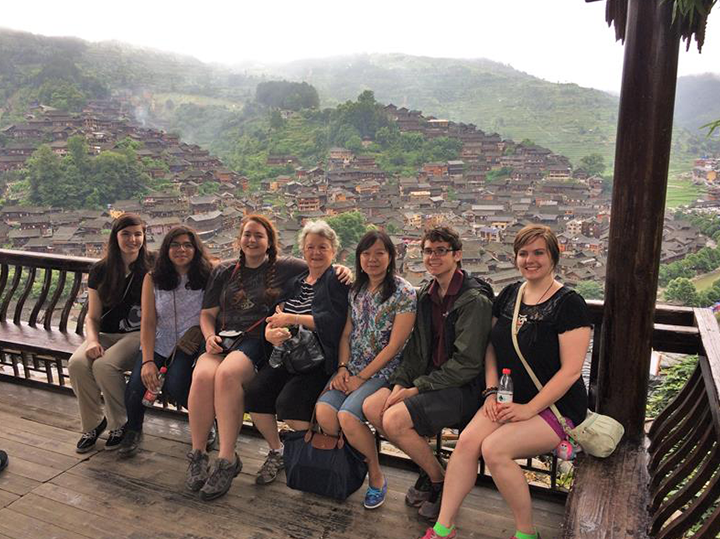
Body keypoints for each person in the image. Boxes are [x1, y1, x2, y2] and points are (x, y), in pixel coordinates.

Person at [421, 224, 591, 539]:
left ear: (554, 255)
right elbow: (491, 346)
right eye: (523, 253)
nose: (530, 259)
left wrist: (528, 410)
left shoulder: (570, 303)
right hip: (506, 398)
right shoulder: (512, 293)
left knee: (494, 449)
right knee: (467, 444)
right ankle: (443, 527)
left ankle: (526, 533)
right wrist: (490, 392)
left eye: (538, 252)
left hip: (554, 407)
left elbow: (570, 372)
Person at [187, 215, 350, 501]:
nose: (252, 240)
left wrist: (342, 269)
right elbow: (209, 313)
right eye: (247, 234)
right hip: (231, 340)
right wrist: (211, 335)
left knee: (227, 376)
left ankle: (226, 459)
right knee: (201, 377)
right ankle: (198, 454)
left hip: (276, 349)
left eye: (259, 236)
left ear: (270, 242)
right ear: (239, 238)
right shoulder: (227, 271)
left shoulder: (286, 269)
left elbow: (329, 293)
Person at [363, 225, 494, 521]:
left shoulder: (473, 300)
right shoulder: (425, 295)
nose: (433, 257)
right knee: (372, 407)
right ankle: (431, 470)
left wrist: (417, 388)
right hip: (430, 381)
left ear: (457, 255)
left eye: (441, 251)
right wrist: (400, 383)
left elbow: (468, 364)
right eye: (428, 251)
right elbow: (416, 351)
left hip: (463, 388)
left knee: (394, 420)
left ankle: (439, 481)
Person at [315, 230, 417, 509]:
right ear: (358, 258)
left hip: (385, 372)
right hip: (352, 368)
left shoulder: (404, 292)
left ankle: (376, 476)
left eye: (379, 253)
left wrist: (361, 377)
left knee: (348, 416)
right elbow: (347, 332)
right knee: (325, 413)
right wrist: (343, 368)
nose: (372, 259)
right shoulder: (356, 290)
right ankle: (351, 465)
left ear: (390, 257)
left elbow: (395, 346)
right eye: (366, 253)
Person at [244, 220, 350, 488]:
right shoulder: (296, 282)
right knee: (255, 393)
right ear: (303, 249)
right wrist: (271, 332)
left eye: (322, 247)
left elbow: (334, 321)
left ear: (333, 250)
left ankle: (317, 453)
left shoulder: (336, 280)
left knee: (289, 406)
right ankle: (277, 451)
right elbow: (275, 315)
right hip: (288, 354)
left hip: (317, 359)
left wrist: (294, 318)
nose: (315, 252)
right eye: (310, 247)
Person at [118, 226, 214, 458]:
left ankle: (206, 424)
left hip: (189, 342)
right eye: (175, 244)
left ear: (196, 249)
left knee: (178, 383)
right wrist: (148, 360)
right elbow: (149, 322)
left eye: (187, 245)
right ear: (166, 249)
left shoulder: (207, 275)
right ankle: (133, 429)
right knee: (136, 387)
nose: (181, 249)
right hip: (160, 339)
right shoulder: (153, 278)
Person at [68, 214, 153, 453]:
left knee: (104, 365)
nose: (132, 239)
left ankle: (122, 423)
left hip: (138, 334)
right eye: (126, 234)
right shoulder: (100, 270)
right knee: (76, 364)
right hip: (105, 334)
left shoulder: (152, 267)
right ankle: (93, 423)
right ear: (115, 237)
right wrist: (92, 340)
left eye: (138, 234)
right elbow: (93, 316)